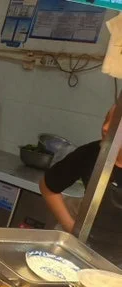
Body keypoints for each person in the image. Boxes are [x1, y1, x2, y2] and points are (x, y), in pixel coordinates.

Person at [40, 105, 122, 264]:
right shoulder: (91, 153)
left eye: (115, 124)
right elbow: (48, 186)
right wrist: (72, 229)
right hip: (79, 247)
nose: (105, 127)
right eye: (106, 119)